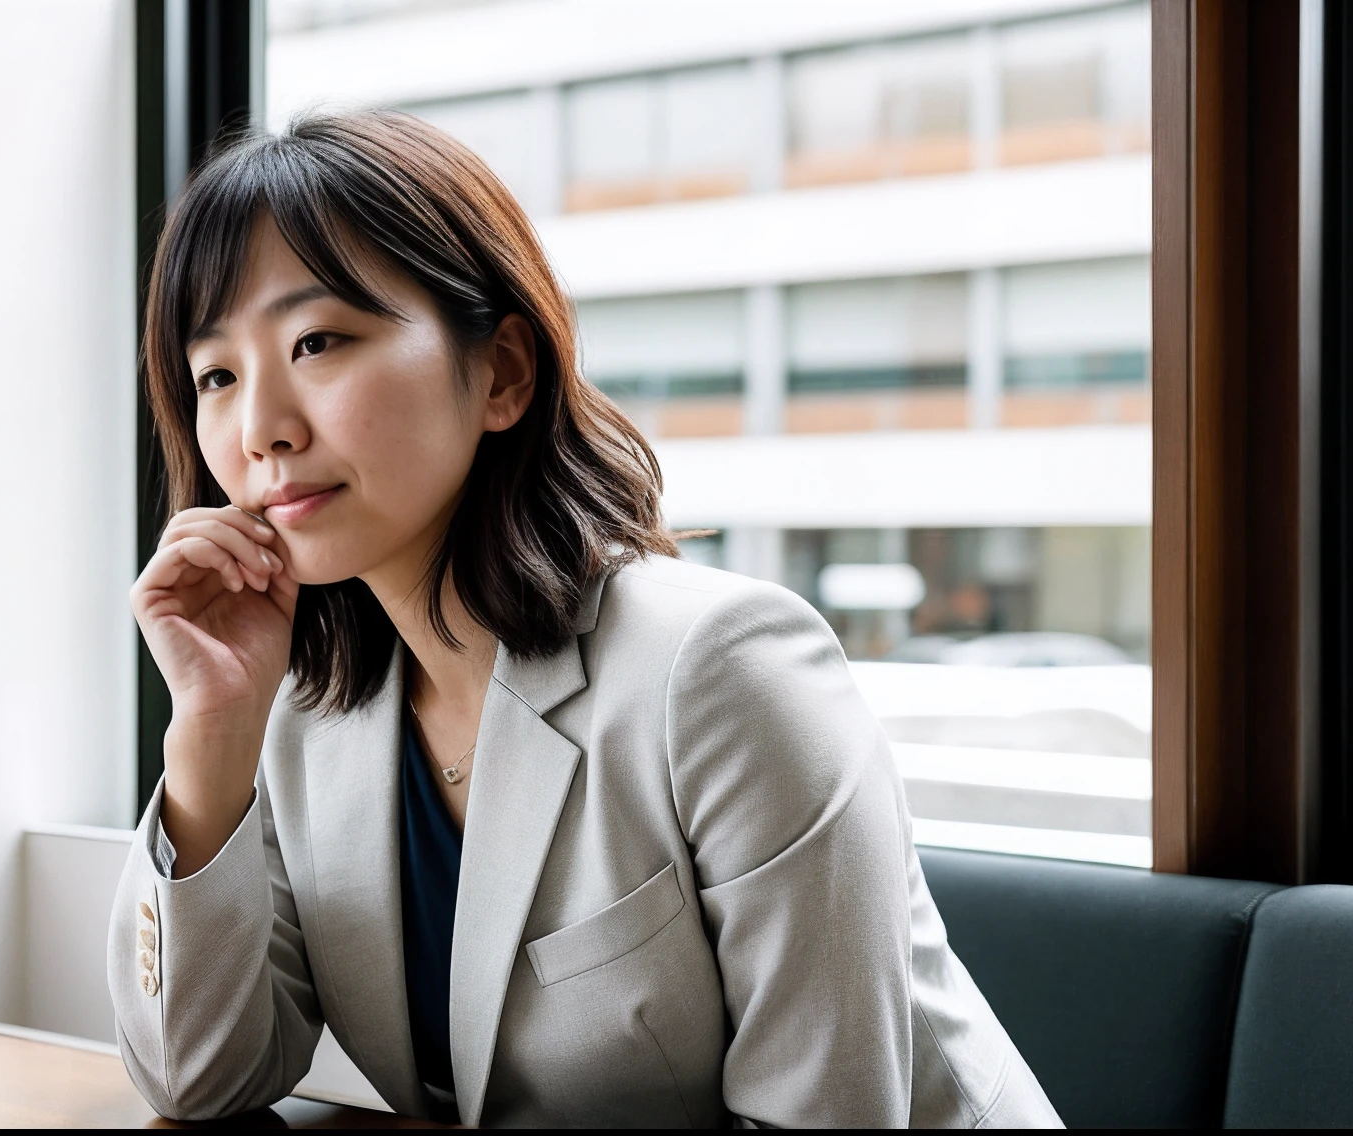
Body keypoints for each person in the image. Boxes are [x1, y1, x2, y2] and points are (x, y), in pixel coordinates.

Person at [109, 109, 1060, 1128]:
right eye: (217, 374)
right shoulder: (307, 713)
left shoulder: (724, 668)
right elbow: (195, 1077)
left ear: (503, 374)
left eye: (318, 340)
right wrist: (209, 734)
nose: (260, 429)